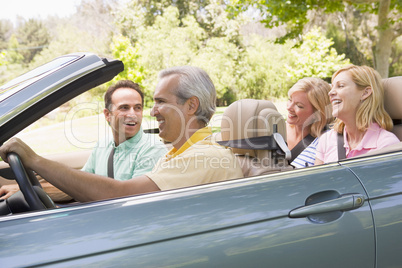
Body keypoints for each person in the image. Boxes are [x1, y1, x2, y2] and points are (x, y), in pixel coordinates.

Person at [0, 66, 243, 202]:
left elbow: (120, 196)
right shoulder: (179, 155)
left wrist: (35, 160)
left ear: (191, 106)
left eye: (160, 101)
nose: (151, 111)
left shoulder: (202, 156)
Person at [0, 80, 167, 200]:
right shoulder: (103, 145)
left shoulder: (151, 149)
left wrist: (34, 160)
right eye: (124, 107)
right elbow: (77, 185)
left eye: (137, 108)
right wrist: (25, 189)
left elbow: (128, 200)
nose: (133, 114)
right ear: (107, 115)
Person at [315, 65, 400, 164]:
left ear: (365, 93)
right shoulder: (327, 140)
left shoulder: (386, 145)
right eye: (332, 87)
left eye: (340, 86)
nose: (330, 92)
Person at [286, 77, 333, 168]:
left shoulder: (326, 141)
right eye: (290, 100)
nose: (289, 107)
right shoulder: (276, 130)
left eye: (299, 106)